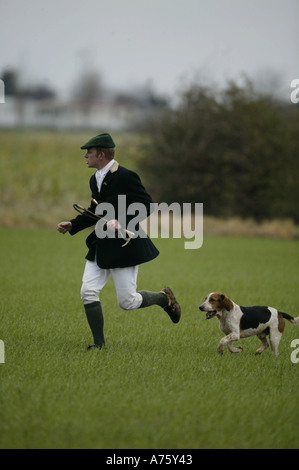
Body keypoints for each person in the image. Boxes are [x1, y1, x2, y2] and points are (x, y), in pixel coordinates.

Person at [57, 132, 181, 349]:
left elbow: (147, 205)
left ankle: (164, 298)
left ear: (101, 155)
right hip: (100, 245)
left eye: (89, 152)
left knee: (127, 302)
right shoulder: (94, 178)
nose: (86, 156)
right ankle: (99, 345)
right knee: (87, 291)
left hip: (124, 246)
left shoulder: (126, 176)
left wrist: (121, 221)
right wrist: (73, 224)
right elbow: (96, 210)